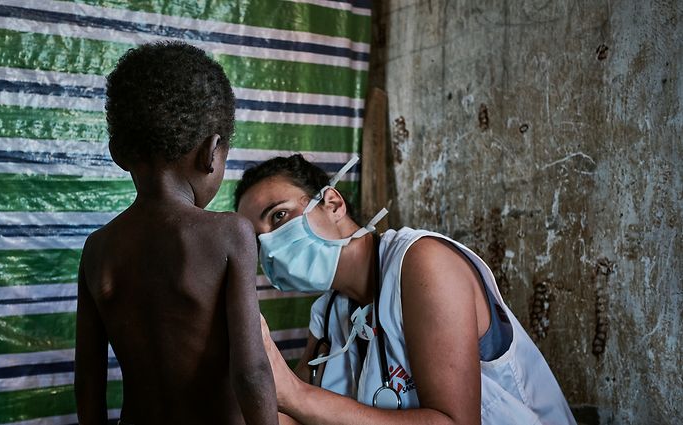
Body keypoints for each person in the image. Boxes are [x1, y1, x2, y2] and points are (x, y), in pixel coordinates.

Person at [235, 154, 575, 425]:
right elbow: (290, 416)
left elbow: (455, 422)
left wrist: (295, 395)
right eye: (255, 240)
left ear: (333, 204)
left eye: (278, 217)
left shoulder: (422, 263)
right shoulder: (328, 315)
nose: (270, 246)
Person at [74, 42, 277, 425]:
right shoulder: (229, 233)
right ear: (212, 151)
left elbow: (88, 381)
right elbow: (251, 371)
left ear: (119, 152)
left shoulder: (97, 248)